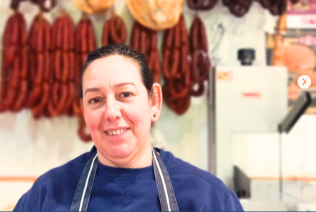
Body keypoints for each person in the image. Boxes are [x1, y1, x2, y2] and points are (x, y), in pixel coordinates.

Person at [13, 44, 242, 211]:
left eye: (125, 95)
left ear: (154, 102)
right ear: (83, 110)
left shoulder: (207, 197)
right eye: (95, 100)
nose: (111, 113)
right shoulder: (47, 195)